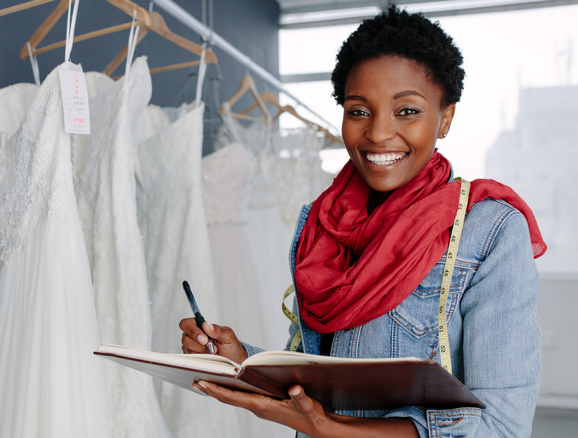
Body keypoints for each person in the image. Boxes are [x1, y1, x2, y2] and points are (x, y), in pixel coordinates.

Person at [180, 5, 547, 438]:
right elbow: (323, 374)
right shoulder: (323, 225)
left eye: (407, 111)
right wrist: (243, 359)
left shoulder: (490, 232)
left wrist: (328, 427)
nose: (377, 133)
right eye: (358, 111)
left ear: (445, 117)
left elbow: (503, 426)